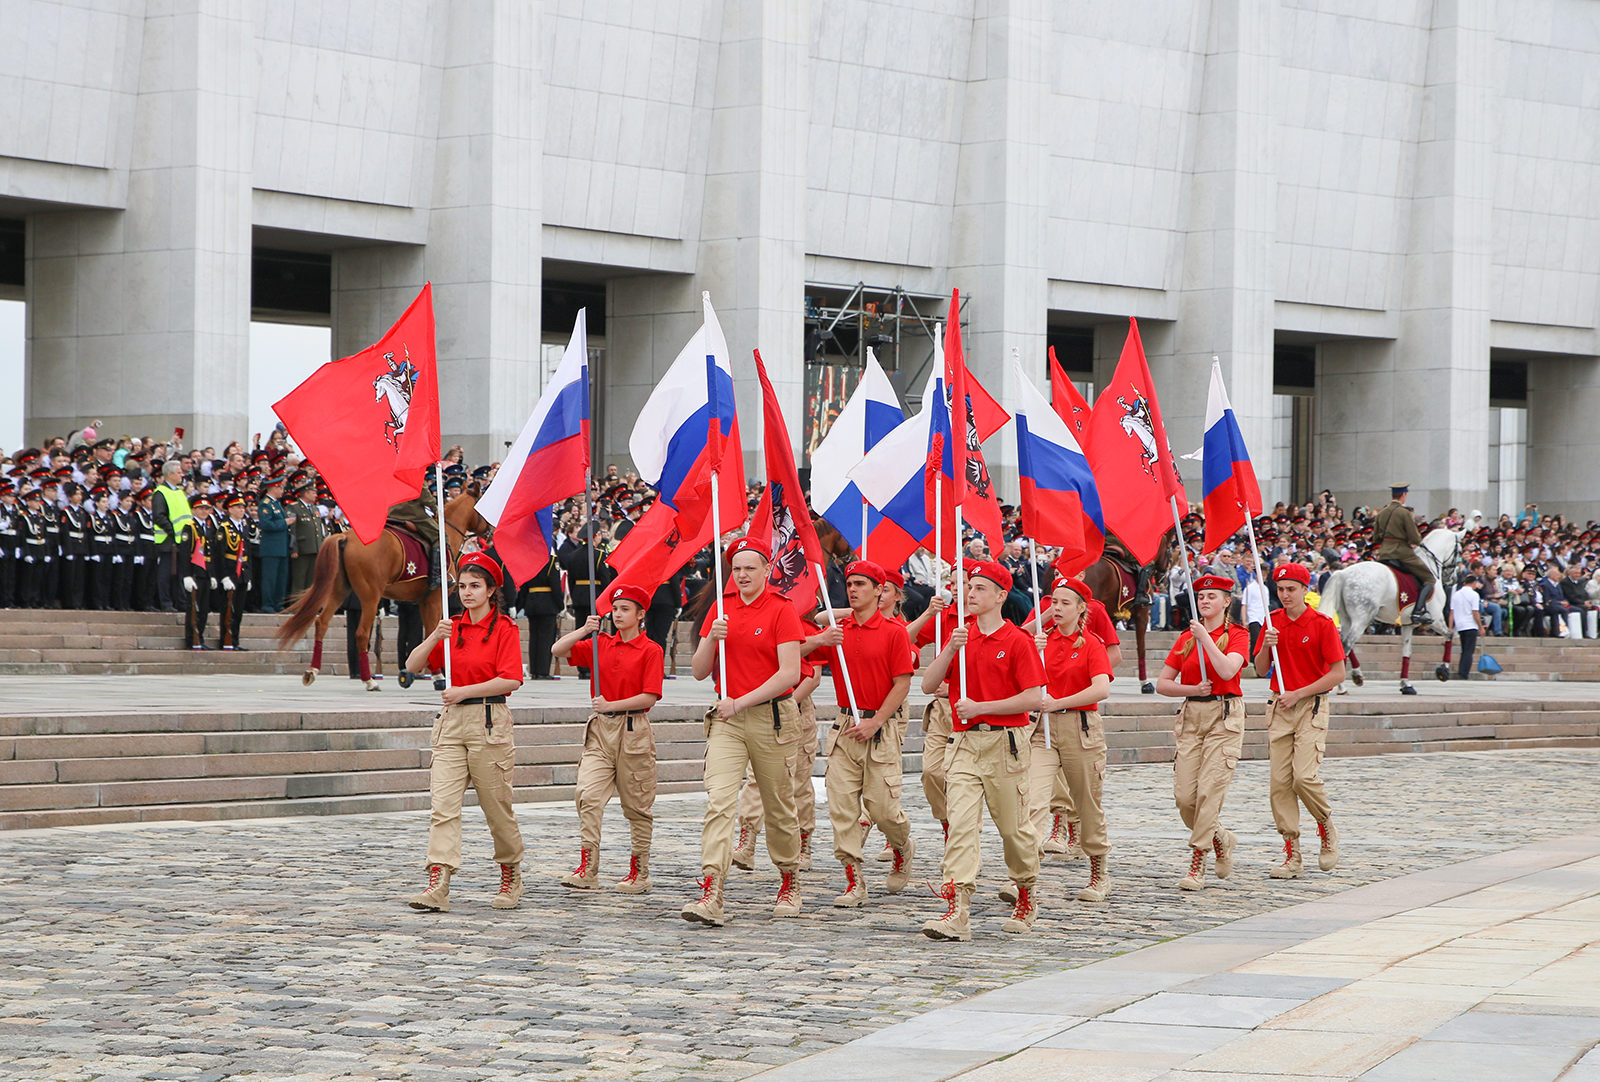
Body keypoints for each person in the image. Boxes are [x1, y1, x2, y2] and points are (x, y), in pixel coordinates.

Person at [681, 537, 805, 928]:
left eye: (751, 567)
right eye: (736, 568)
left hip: (772, 718)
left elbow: (790, 673)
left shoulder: (782, 610)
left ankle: (789, 877)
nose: (743, 574)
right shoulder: (722, 607)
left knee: (779, 805)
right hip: (727, 721)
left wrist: (743, 700)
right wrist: (711, 639)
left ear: (767, 571)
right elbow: (700, 670)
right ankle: (712, 889)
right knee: (719, 802)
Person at [920, 560, 1046, 941]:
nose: (970, 594)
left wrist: (982, 707)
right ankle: (957, 910)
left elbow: (1033, 697)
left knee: (1014, 830)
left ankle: (1026, 892)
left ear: (1000, 596)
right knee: (960, 827)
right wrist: (949, 650)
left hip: (1004, 743)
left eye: (978, 588)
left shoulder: (1017, 640)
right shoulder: (961, 636)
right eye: (969, 587)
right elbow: (928, 685)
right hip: (963, 744)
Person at [405, 552, 526, 913]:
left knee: (496, 807)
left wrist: (465, 691)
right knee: (442, 806)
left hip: (489, 721)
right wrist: (433, 638)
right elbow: (412, 667)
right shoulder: (450, 626)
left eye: (475, 586)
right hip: (451, 724)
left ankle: (510, 871)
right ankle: (438, 880)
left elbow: (512, 678)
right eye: (462, 586)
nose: (467, 592)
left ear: (491, 590)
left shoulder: (506, 628)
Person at [806, 560, 917, 907]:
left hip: (880, 727)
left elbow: (902, 683)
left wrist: (877, 721)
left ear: (879, 590)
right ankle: (854, 880)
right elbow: (791, 653)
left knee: (884, 810)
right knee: (842, 809)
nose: (852, 590)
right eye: (850, 583)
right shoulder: (839, 630)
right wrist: (820, 639)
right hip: (844, 729)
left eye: (861, 584)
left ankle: (901, 846)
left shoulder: (894, 631)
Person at [551, 584, 664, 894]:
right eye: (615, 609)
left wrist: (612, 704)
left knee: (637, 805)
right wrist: (584, 631)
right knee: (587, 794)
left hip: (633, 731)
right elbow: (558, 651)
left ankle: (639, 871)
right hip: (601, 731)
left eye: (625, 609)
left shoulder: (651, 649)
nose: (617, 614)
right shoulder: (601, 644)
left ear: (641, 614)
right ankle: (588, 867)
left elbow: (650, 695)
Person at [1156, 572, 1250, 891]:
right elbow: (1162, 684)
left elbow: (1227, 669)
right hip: (1193, 715)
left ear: (1227, 602)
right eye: (1201, 597)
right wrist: (1192, 688)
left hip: (1225, 714)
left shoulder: (1237, 634)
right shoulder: (1185, 638)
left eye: (1212, 597)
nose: (1205, 601)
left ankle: (1198, 859)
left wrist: (1205, 639)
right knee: (1185, 796)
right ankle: (1220, 837)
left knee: (1210, 790)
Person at [1255, 562, 1346, 879]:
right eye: (1280, 590)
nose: (1284, 595)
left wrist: (1298, 693)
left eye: (1291, 589)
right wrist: (1266, 646)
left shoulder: (1320, 623)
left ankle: (1325, 824)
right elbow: (1259, 667)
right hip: (1279, 706)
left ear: (1306, 590)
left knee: (1303, 777)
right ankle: (1292, 852)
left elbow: (1337, 673)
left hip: (1310, 705)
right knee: (1279, 784)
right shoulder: (1272, 622)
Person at [1026, 576, 1114, 904]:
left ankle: (1098, 873)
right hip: (1042, 731)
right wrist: (1034, 651)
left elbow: (1101, 688)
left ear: (1081, 609)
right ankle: (1025, 876)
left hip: (1080, 728)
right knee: (1033, 801)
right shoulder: (1041, 640)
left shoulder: (1090, 643)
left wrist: (1061, 702)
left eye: (1065, 603)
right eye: (1054, 602)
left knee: (1087, 805)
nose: (1057, 608)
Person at [1373, 483, 1433, 624]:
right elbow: (1414, 537)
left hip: (1384, 553)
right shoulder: (1404, 513)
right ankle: (1418, 612)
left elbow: (1376, 537)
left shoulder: (1382, 513)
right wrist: (1416, 541)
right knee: (1429, 579)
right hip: (1402, 553)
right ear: (1404, 495)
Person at [213, 494, 253, 650]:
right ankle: (226, 640)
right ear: (229, 509)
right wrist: (224, 577)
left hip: (242, 574)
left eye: (243, 507)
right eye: (238, 507)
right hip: (230, 573)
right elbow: (220, 555)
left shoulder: (244, 526)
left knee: (239, 611)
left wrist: (248, 576)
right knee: (228, 610)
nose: (242, 510)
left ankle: (235, 640)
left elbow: (247, 553)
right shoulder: (224, 528)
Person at [518, 560, 564, 680]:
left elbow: (523, 587)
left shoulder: (529, 562)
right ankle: (543, 671)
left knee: (534, 639)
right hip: (547, 604)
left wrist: (520, 605)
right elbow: (555, 586)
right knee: (546, 639)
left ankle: (535, 671)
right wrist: (560, 605)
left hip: (531, 602)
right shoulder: (551, 561)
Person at [181, 496, 216, 650]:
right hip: (195, 572)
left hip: (206, 573)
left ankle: (200, 637)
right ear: (194, 510)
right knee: (194, 608)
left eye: (207, 509)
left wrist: (213, 575)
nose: (204, 511)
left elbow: (211, 554)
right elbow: (184, 553)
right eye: (200, 508)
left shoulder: (208, 527)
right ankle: (192, 639)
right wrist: (186, 575)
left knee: (204, 608)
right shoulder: (190, 527)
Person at [256, 475, 291, 613]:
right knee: (270, 578)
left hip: (281, 547)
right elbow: (266, 524)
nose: (282, 490)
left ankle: (278, 603)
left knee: (281, 578)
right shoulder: (265, 504)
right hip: (271, 548)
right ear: (273, 488)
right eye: (280, 487)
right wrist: (285, 522)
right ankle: (268, 604)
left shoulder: (276, 504)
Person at [287, 480, 324, 600]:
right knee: (299, 579)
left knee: (311, 580)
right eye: (313, 492)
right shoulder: (294, 507)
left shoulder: (314, 508)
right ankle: (295, 606)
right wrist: (294, 548)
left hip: (315, 548)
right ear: (305, 493)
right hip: (302, 549)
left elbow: (318, 529)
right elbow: (292, 530)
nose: (315, 495)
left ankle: (307, 605)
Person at [1450, 572, 1483, 681]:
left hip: (1460, 625)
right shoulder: (1474, 595)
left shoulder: (1456, 594)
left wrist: (1451, 627)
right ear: (1474, 583)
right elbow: (1475, 612)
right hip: (1470, 624)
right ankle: (1463, 673)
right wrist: (1481, 626)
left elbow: (1451, 612)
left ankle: (1462, 670)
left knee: (1464, 649)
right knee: (1469, 650)